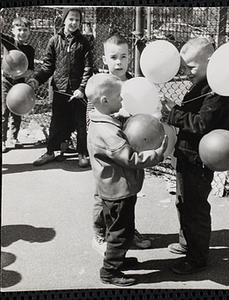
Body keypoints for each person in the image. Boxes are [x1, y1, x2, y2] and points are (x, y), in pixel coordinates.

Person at [86, 73, 167, 286]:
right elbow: (130, 158)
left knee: (122, 229)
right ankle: (110, 271)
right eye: (119, 97)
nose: (122, 100)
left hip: (117, 189)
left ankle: (117, 260)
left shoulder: (103, 121)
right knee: (120, 232)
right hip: (117, 191)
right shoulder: (106, 131)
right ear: (105, 100)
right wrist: (157, 154)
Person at [162, 37, 229, 275]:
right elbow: (191, 117)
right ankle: (186, 244)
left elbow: (201, 124)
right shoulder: (201, 84)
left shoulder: (217, 91)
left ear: (210, 62)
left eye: (191, 67)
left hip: (198, 160)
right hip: (186, 154)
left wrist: (174, 114)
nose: (187, 72)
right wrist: (175, 110)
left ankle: (197, 259)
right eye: (184, 68)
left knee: (195, 209)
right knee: (183, 203)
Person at [90, 33, 152, 256]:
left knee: (128, 196)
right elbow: (94, 118)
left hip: (130, 149)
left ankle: (127, 230)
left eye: (124, 56)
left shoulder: (136, 84)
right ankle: (100, 231)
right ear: (104, 59)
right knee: (104, 195)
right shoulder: (101, 85)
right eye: (113, 57)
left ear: (129, 59)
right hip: (108, 153)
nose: (119, 62)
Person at [28, 7, 93, 168]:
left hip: (77, 91)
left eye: (77, 20)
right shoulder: (54, 40)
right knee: (56, 123)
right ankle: (50, 152)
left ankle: (82, 153)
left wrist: (82, 89)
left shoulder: (84, 42)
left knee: (80, 124)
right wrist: (36, 80)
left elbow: (88, 68)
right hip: (59, 90)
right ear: (64, 20)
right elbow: (47, 66)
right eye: (71, 19)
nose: (74, 22)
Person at [1, 17, 35, 153]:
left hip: (20, 84)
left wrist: (18, 75)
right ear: (13, 30)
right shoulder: (9, 41)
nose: (22, 33)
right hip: (6, 82)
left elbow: (31, 70)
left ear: (29, 32)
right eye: (19, 29)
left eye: (25, 30)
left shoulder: (30, 49)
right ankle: (2, 140)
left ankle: (13, 138)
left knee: (17, 111)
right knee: (3, 111)